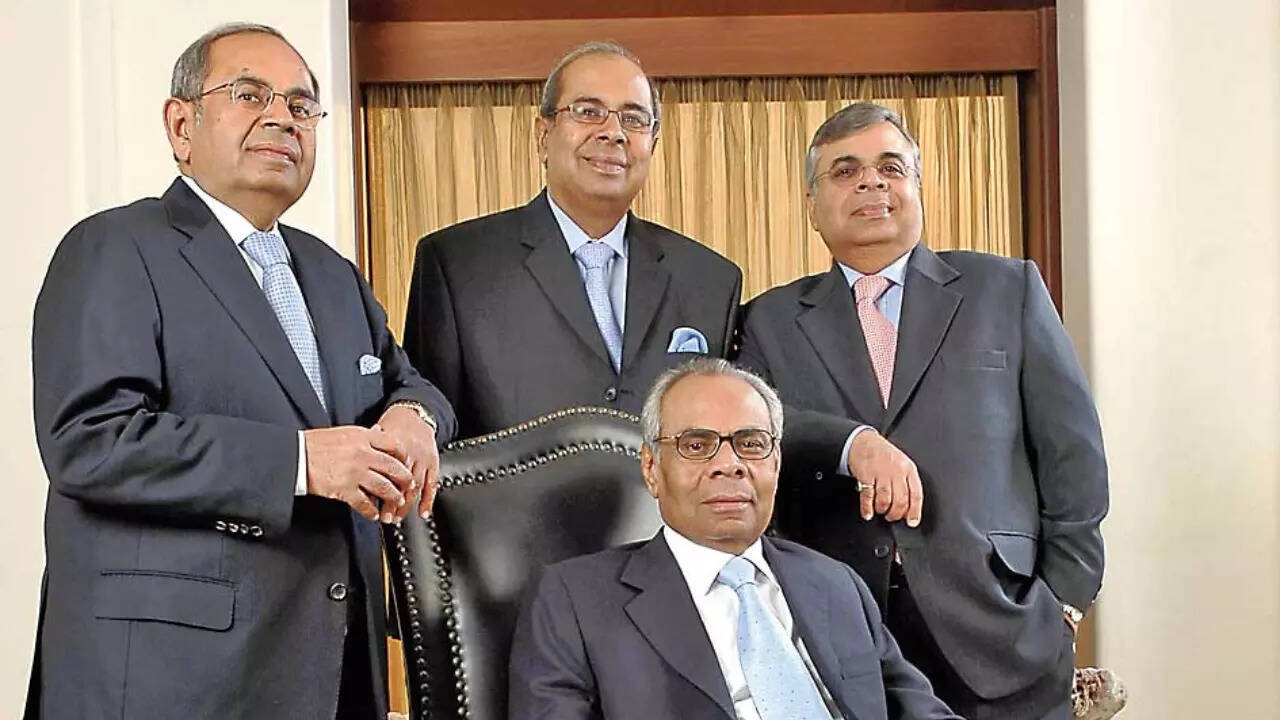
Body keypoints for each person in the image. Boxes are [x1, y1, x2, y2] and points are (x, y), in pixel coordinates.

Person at [27, 23, 455, 719]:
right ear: (181, 124)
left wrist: (414, 417)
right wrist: (301, 463)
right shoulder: (114, 246)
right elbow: (90, 441)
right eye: (250, 94)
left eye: (301, 105)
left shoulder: (331, 274)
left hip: (334, 674)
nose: (283, 117)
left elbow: (407, 382)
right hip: (172, 682)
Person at [737, 101, 1109, 719]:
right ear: (812, 204)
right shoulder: (769, 319)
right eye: (845, 171)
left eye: (890, 167)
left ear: (916, 187)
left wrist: (1064, 606)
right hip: (841, 641)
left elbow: (1074, 456)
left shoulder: (1005, 290)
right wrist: (851, 442)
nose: (871, 183)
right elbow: (755, 428)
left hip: (1004, 633)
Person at [509, 358, 959, 720]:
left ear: (776, 464)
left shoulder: (835, 583)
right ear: (651, 468)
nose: (729, 464)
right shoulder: (573, 601)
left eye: (751, 443)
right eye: (696, 445)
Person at [403, 42, 741, 437]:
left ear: (652, 145)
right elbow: (429, 428)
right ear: (543, 135)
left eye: (633, 119)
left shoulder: (709, 280)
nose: (613, 133)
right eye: (588, 112)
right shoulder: (457, 266)